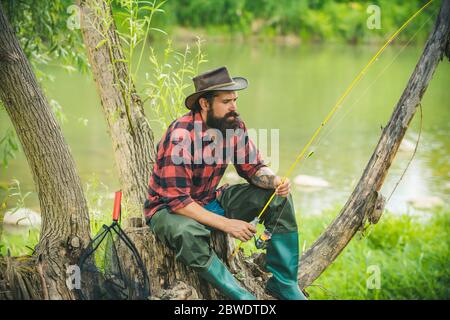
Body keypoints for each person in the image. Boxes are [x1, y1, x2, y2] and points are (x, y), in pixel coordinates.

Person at [144, 66, 306, 300]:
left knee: (278, 198)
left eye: (235, 100)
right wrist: (228, 224)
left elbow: (253, 168)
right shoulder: (180, 135)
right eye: (226, 101)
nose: (234, 107)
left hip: (210, 200)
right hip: (169, 211)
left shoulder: (232, 126)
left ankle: (284, 283)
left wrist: (274, 181)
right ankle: (240, 295)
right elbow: (178, 202)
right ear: (205, 103)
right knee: (186, 233)